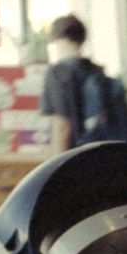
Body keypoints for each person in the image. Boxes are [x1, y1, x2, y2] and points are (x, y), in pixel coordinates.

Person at [39, 14, 101, 152]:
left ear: (62, 40)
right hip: (101, 153)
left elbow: (62, 125)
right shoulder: (96, 71)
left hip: (75, 155)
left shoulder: (58, 72)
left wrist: (56, 165)